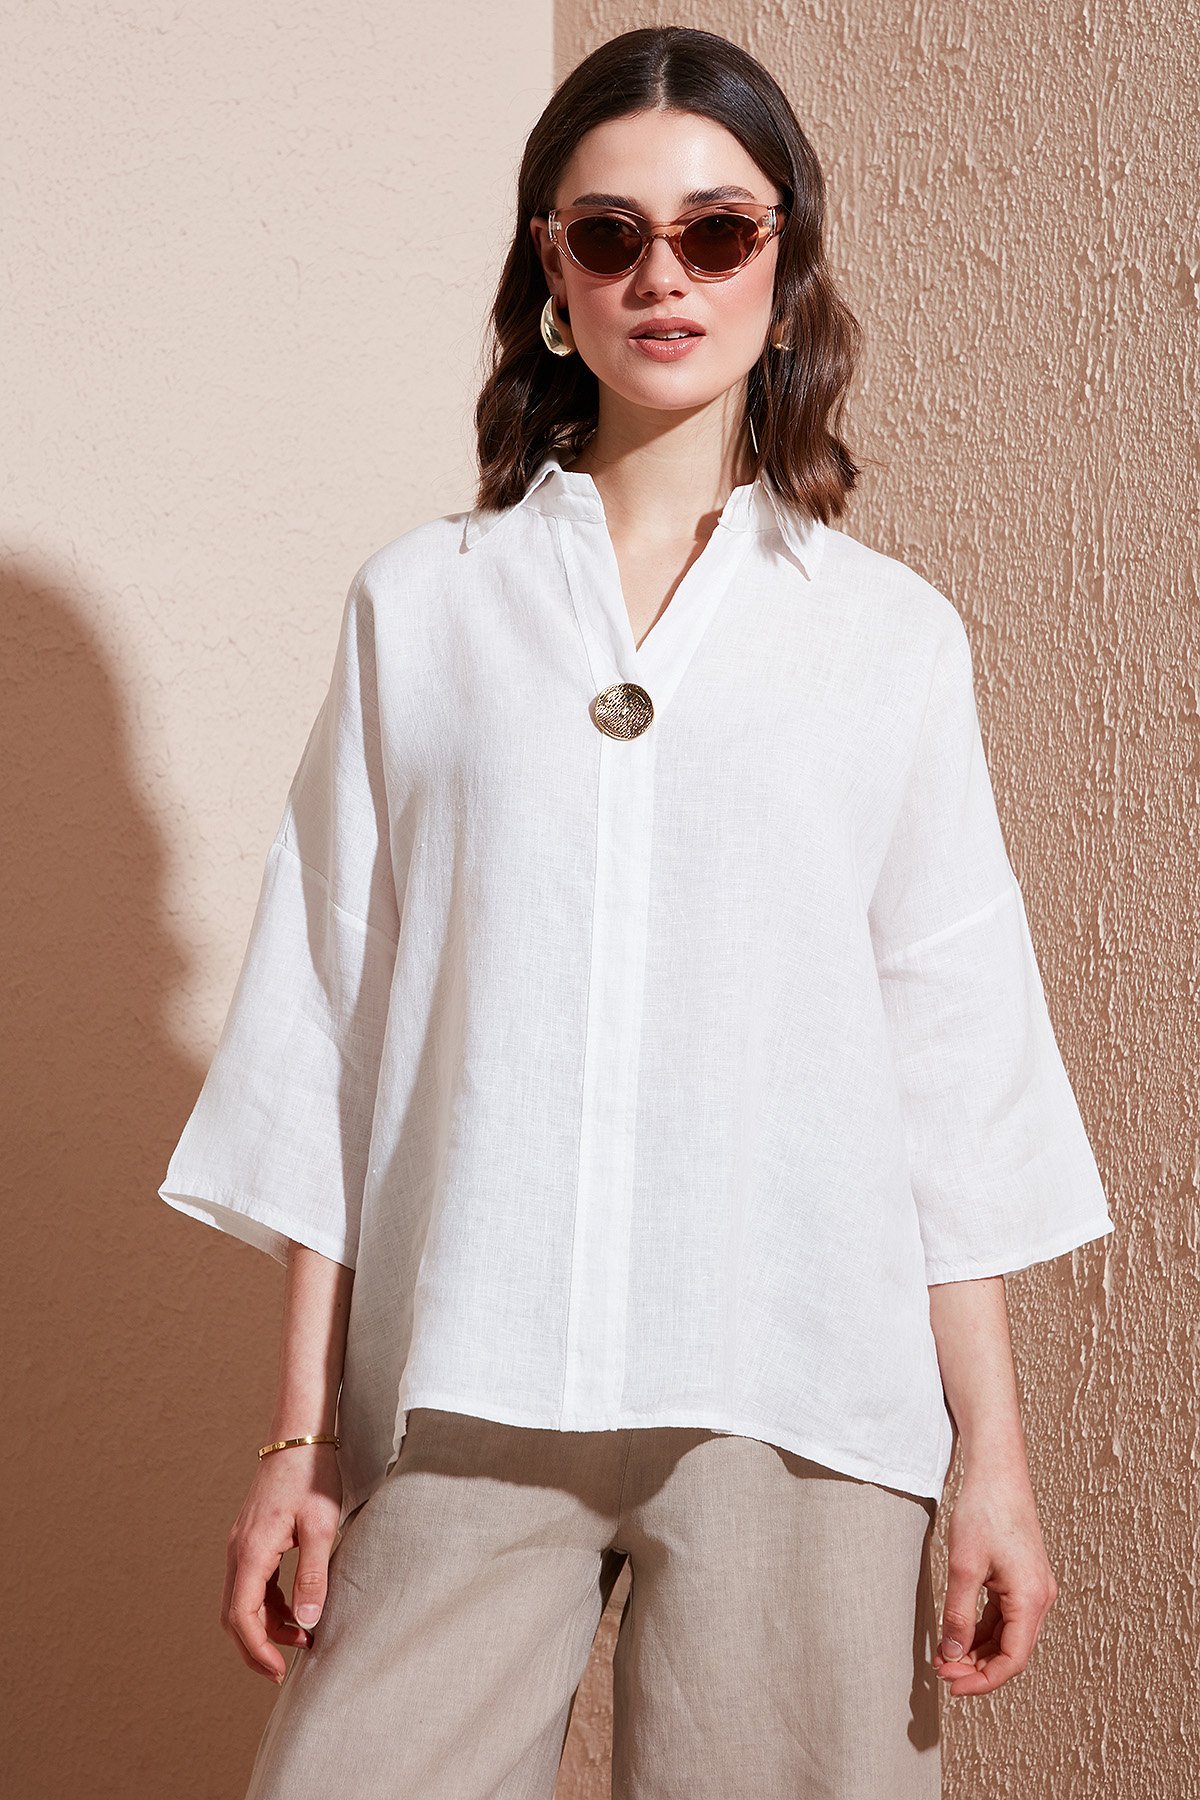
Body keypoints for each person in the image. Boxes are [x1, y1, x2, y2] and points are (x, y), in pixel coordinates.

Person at [158, 25, 1115, 1800]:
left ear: (783, 259)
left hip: (801, 1394)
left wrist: (992, 1457)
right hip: (472, 1368)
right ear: (552, 268)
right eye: (610, 236)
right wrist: (300, 1441)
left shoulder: (889, 640)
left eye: (716, 232)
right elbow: (328, 1020)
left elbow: (952, 1057)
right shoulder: (423, 608)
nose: (662, 277)